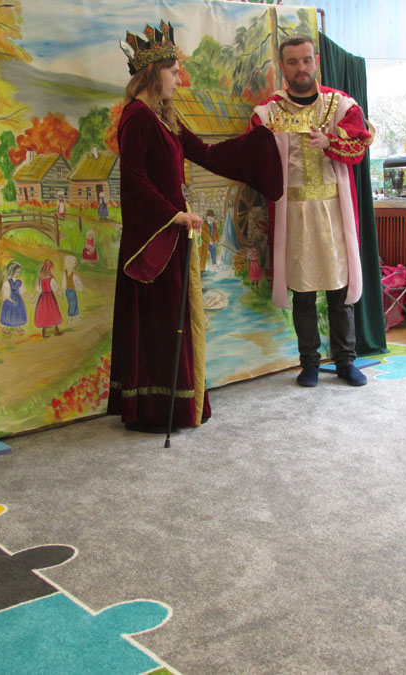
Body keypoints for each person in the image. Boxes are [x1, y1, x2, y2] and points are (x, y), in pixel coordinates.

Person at [109, 20, 282, 433]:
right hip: (156, 237)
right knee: (160, 320)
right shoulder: (137, 118)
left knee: (176, 318)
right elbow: (133, 178)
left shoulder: (165, 117)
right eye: (173, 72)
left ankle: (177, 403)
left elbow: (204, 153)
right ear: (153, 73)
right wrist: (175, 214)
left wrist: (258, 145)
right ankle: (154, 410)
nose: (178, 78)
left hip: (173, 233)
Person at [251, 35, 374, 388]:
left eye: (306, 60)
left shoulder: (340, 105)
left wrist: (330, 141)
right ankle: (309, 363)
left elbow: (358, 145)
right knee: (302, 292)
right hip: (294, 213)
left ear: (316, 61)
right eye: (293, 62)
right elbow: (254, 154)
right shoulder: (269, 112)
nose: (301, 68)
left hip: (333, 211)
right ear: (283, 67)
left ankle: (345, 361)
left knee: (339, 289)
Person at [33, 259, 63, 337]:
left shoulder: (40, 279)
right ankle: (56, 331)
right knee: (53, 312)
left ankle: (44, 333)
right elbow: (56, 289)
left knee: (44, 313)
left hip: (42, 298)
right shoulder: (51, 279)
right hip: (50, 298)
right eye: (52, 269)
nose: (53, 271)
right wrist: (61, 294)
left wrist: (34, 298)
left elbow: (38, 289)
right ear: (49, 269)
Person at [0, 261, 28, 334]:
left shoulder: (19, 281)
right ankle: (5, 328)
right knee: (9, 312)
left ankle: (18, 327)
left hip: (18, 299)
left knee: (19, 311)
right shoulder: (8, 282)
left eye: (18, 272)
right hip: (10, 299)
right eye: (16, 272)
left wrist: (28, 296)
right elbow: (6, 292)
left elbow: (21, 291)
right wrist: (10, 300)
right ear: (12, 272)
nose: (18, 274)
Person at [62, 255, 83, 325]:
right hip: (70, 292)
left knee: (75, 304)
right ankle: (70, 320)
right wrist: (79, 287)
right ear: (69, 264)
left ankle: (77, 317)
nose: (74, 265)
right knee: (72, 305)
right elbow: (65, 282)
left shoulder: (68, 273)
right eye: (73, 263)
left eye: (74, 264)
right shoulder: (71, 274)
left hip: (70, 291)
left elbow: (76, 282)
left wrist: (79, 287)